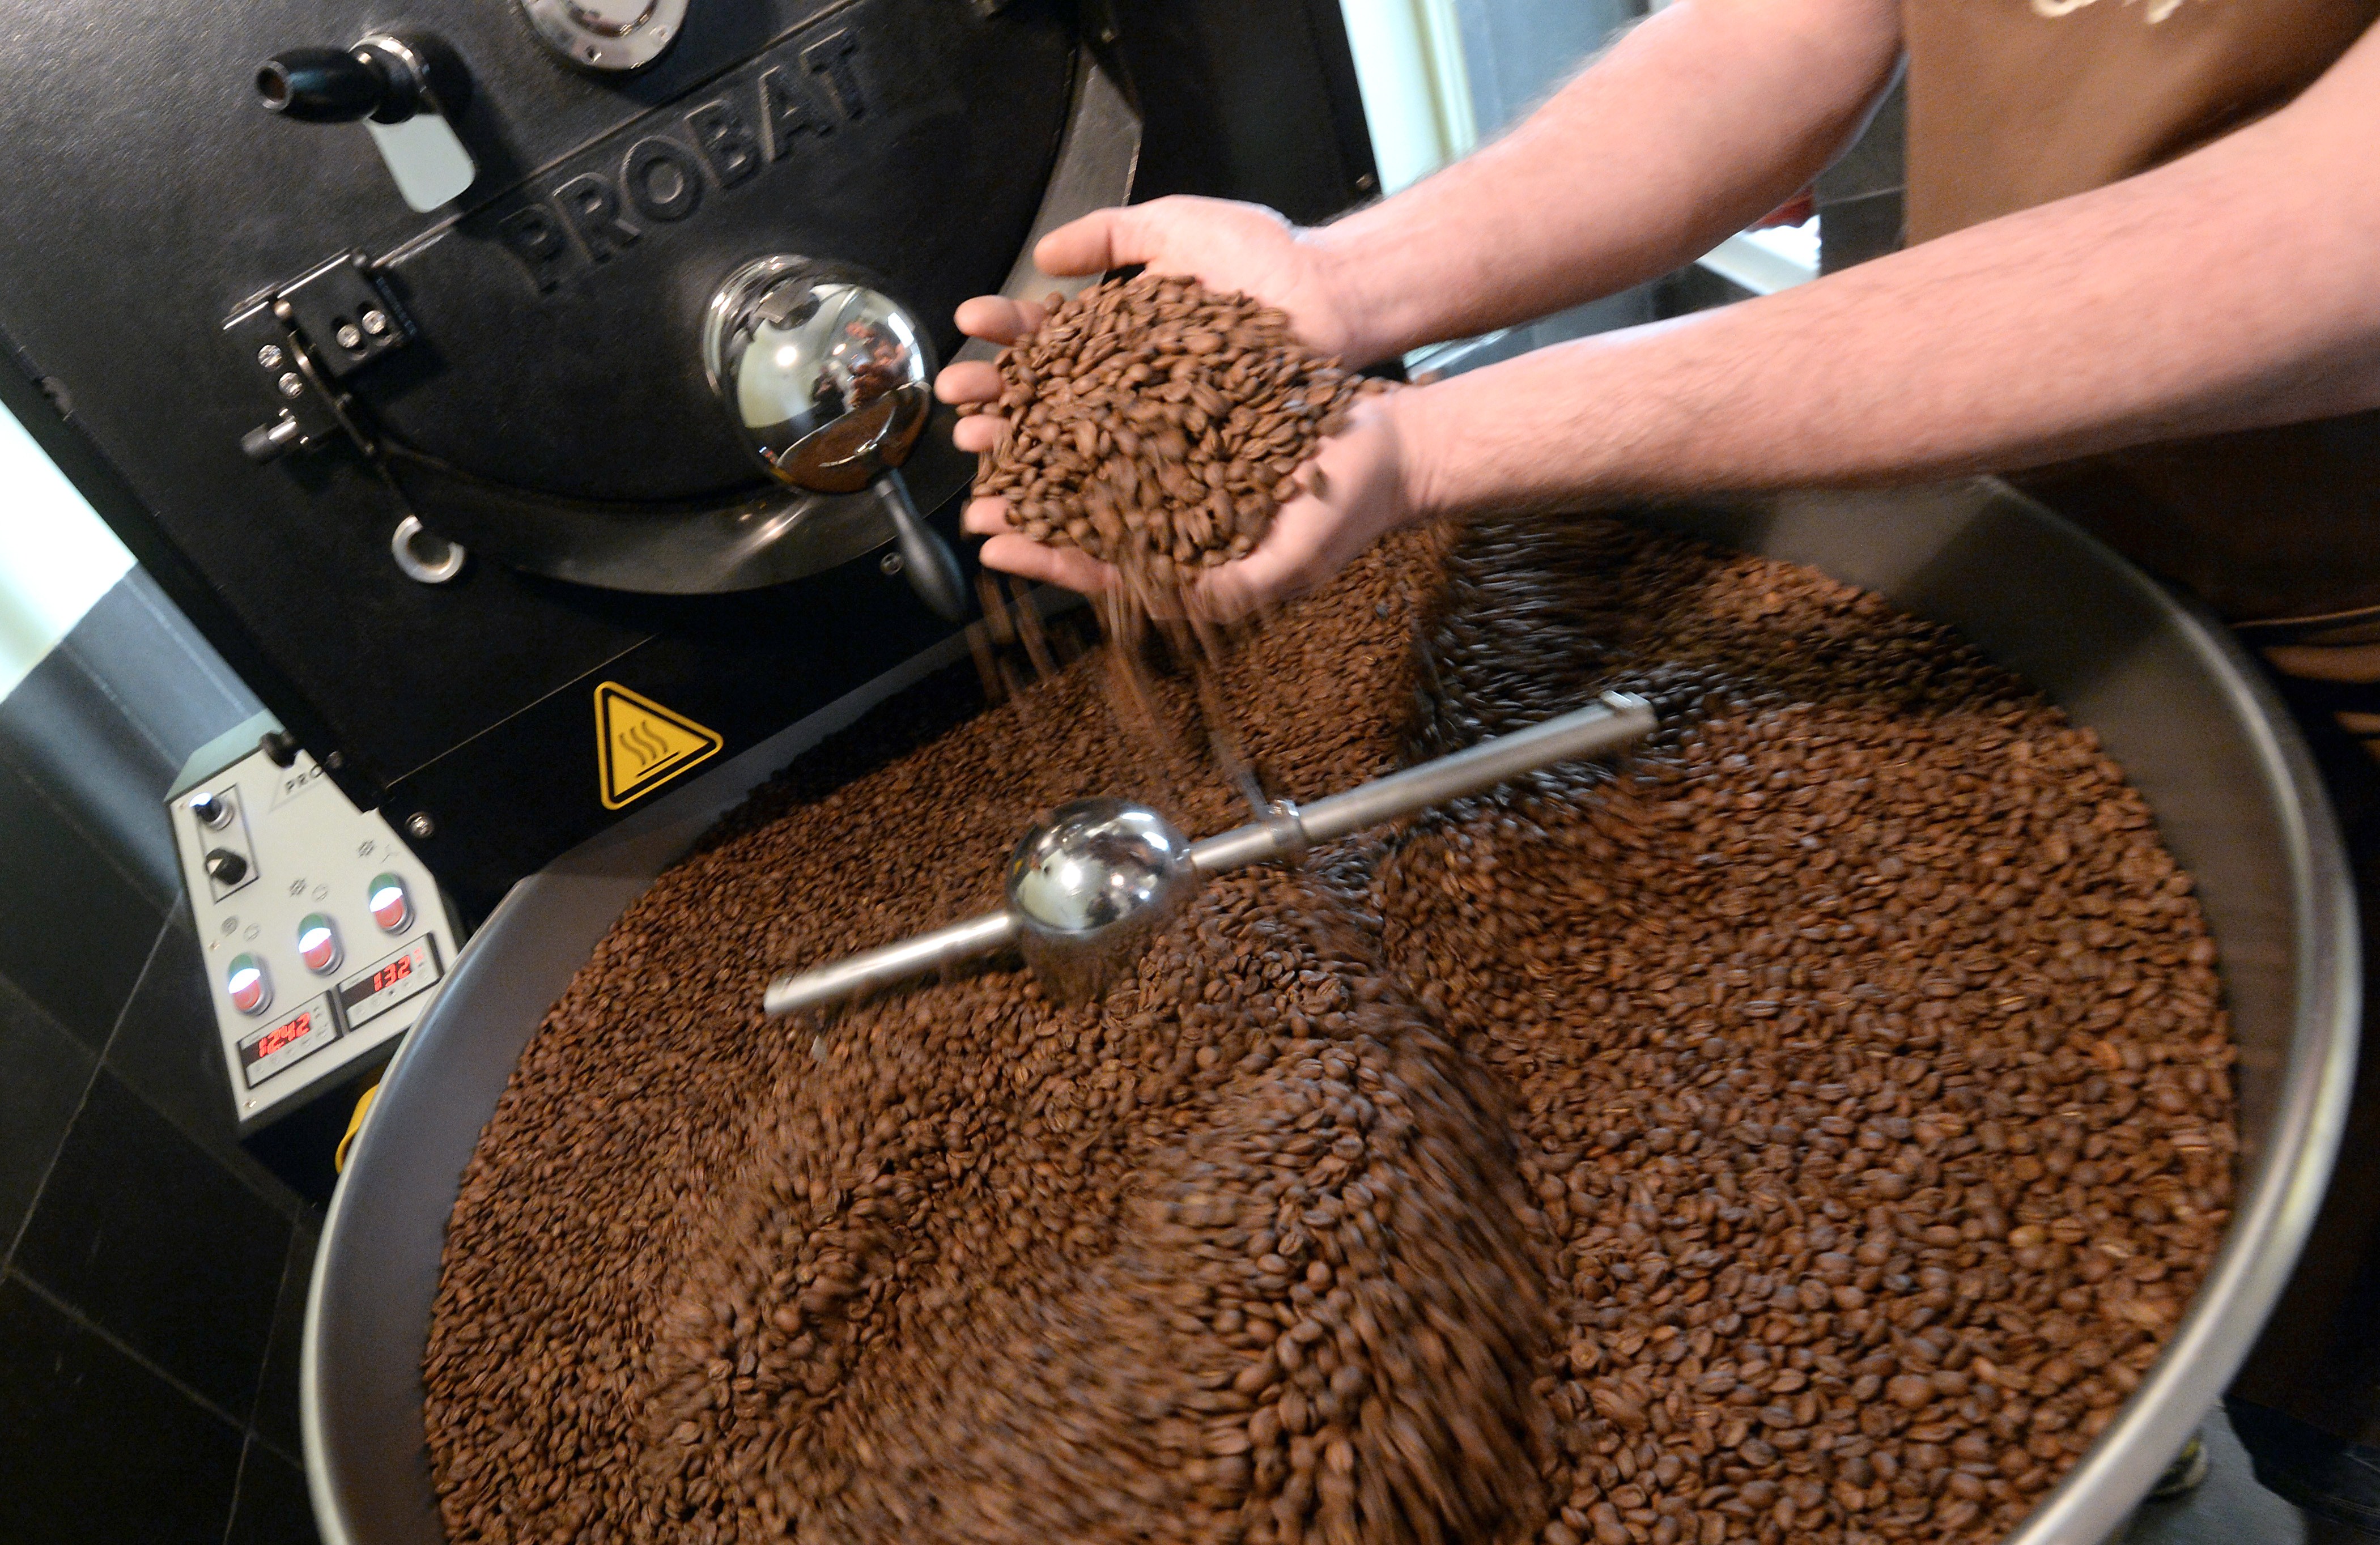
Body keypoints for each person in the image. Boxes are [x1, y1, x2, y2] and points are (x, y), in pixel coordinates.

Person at [934, 0, 2380, 1535]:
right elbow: (1788, 24)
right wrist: (1340, 286)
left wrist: (1434, 447)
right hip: (2022, 531)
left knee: (2318, 1311)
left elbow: (2330, 237)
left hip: (2348, 635)